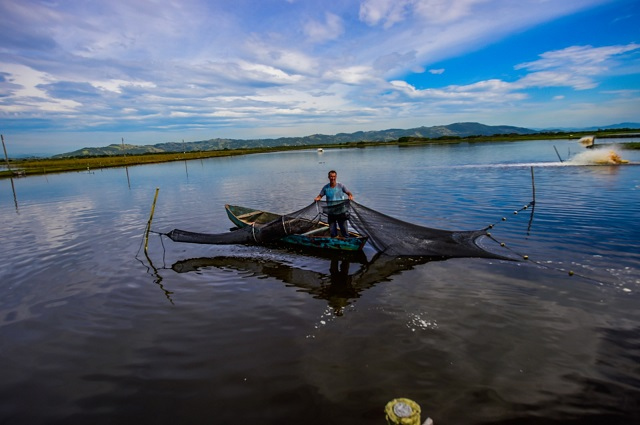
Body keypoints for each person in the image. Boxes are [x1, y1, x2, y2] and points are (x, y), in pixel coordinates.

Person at [314, 170, 354, 237]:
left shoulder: (341, 186)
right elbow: (320, 196)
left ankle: (347, 241)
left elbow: (349, 193)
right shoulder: (326, 188)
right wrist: (317, 199)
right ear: (328, 177)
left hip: (341, 211)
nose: (333, 178)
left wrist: (350, 196)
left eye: (334, 176)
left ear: (336, 177)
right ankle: (334, 242)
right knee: (332, 231)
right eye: (331, 176)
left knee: (344, 230)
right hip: (331, 212)